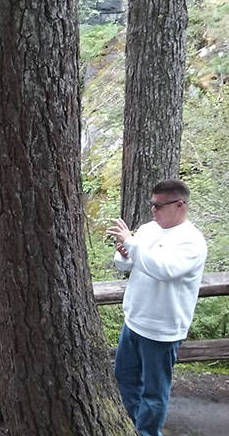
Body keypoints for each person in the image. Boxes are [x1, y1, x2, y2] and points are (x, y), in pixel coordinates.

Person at [107, 179, 207, 436]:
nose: (153, 210)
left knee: (154, 391)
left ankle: (148, 433)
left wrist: (131, 243)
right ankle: (130, 427)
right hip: (134, 321)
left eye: (158, 205)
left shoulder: (191, 241)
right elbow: (126, 265)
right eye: (152, 204)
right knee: (126, 380)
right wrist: (124, 252)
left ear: (180, 205)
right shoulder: (148, 230)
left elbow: (164, 269)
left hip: (162, 330)